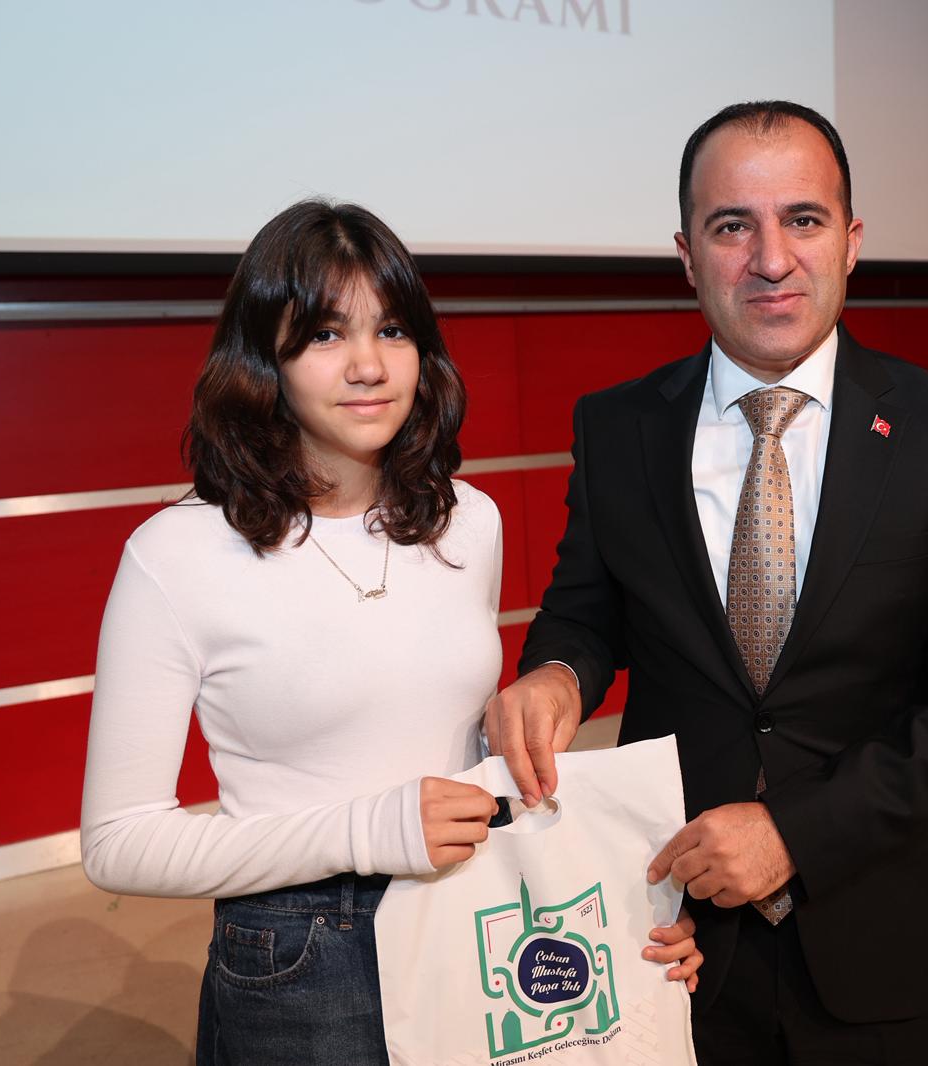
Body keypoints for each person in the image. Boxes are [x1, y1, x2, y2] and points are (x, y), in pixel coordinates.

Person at [486, 101, 928, 1065]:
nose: (771, 259)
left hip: (876, 931)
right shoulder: (618, 427)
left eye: (804, 219)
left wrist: (796, 831)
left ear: (852, 241)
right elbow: (588, 611)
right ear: (687, 254)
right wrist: (558, 673)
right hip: (671, 930)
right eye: (732, 226)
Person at [79, 200, 698, 1065]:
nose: (369, 366)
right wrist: (367, 832)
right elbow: (119, 844)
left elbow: (456, 745)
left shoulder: (466, 520)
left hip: (470, 911)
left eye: (394, 330)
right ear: (263, 357)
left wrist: (629, 910)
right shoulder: (176, 553)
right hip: (303, 956)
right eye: (326, 334)